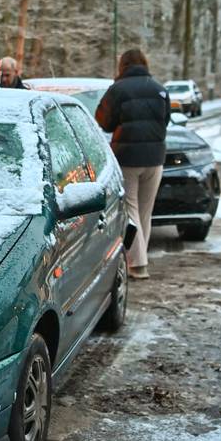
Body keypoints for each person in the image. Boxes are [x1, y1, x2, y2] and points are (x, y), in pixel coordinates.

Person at [95, 48, 170, 280]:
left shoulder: (117, 90)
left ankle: (138, 264)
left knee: (130, 209)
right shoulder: (160, 89)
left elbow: (104, 121)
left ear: (123, 66)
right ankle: (140, 259)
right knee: (145, 212)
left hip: (127, 156)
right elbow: (165, 120)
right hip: (156, 157)